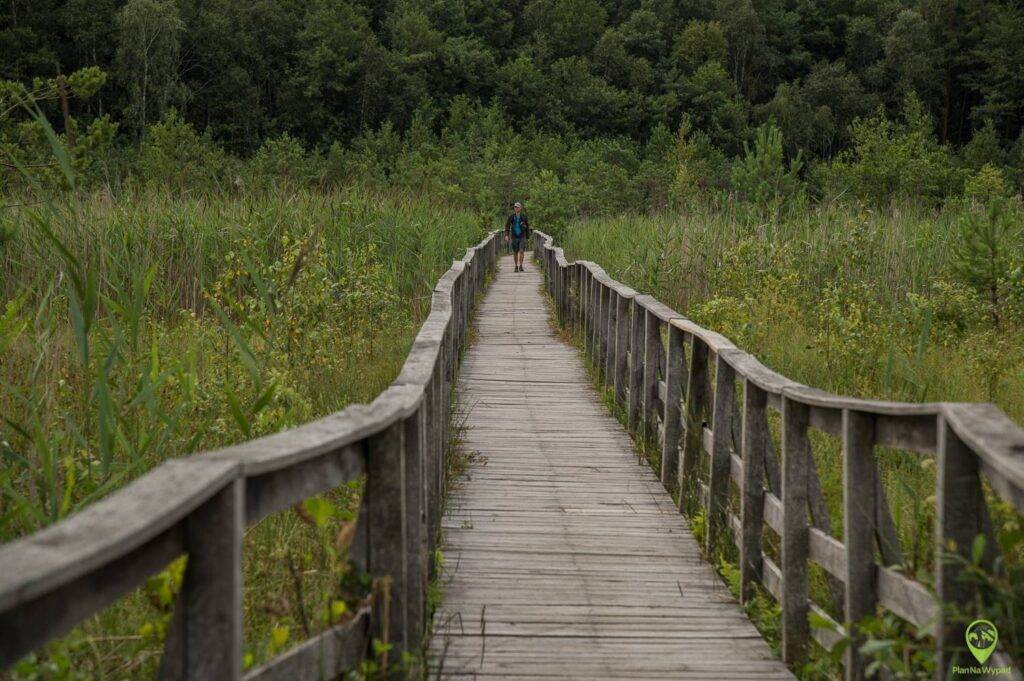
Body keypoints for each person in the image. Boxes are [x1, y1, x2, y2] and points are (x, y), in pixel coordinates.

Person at [504, 201, 530, 272]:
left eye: (517, 207)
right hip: (514, 236)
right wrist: (506, 235)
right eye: (515, 207)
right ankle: (516, 266)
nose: (516, 208)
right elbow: (507, 226)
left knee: (521, 251)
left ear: (520, 208)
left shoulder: (524, 217)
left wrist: (527, 237)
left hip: (522, 236)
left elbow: (527, 227)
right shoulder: (512, 217)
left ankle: (521, 265)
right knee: (515, 252)